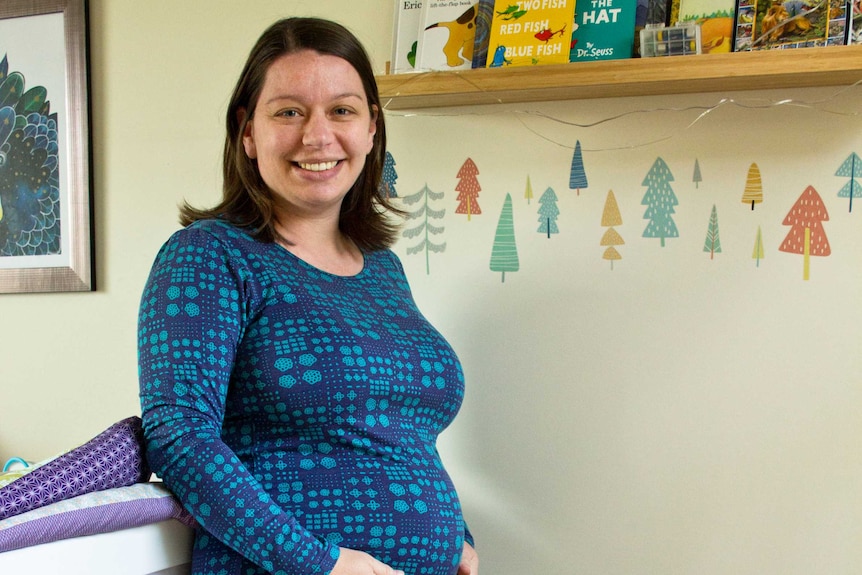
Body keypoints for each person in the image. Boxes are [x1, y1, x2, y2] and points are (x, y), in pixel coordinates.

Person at [137, 16, 478, 575]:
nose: (317, 136)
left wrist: (456, 536)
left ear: (372, 129)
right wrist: (320, 563)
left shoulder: (384, 271)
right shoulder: (209, 255)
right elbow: (179, 438)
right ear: (247, 131)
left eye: (342, 110)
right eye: (289, 112)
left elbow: (399, 429)